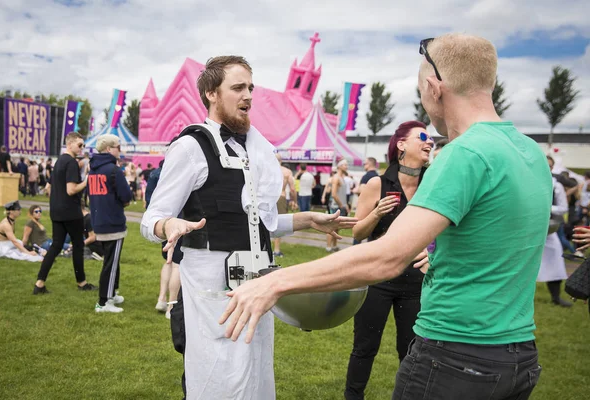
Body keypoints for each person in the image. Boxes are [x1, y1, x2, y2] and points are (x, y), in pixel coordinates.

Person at [220, 34, 551, 400]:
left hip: (456, 354)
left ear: (433, 87)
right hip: (518, 356)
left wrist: (275, 282)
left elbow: (388, 256)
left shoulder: (464, 153)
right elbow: (500, 239)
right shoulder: (530, 152)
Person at [140, 55, 356, 400]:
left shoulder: (255, 149)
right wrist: (169, 224)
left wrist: (308, 220)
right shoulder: (190, 147)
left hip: (255, 281)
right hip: (211, 285)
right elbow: (150, 219)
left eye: (250, 88)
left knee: (253, 372)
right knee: (218, 375)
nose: (248, 96)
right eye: (238, 87)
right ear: (212, 93)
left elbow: (261, 224)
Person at [344, 121, 432, 400]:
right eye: (423, 137)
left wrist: (433, 250)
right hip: (378, 278)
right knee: (365, 346)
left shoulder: (433, 183)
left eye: (431, 139)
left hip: (417, 279)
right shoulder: (377, 184)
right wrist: (377, 213)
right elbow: (358, 232)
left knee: (411, 348)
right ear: (402, 145)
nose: (429, 142)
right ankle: (353, 396)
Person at [34, 132, 95, 295]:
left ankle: (39, 283)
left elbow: (48, 187)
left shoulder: (59, 161)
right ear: (70, 144)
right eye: (79, 145)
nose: (82, 148)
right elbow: (71, 189)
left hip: (56, 210)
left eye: (83, 145)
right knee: (78, 245)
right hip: (71, 211)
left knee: (56, 245)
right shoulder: (71, 162)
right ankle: (82, 283)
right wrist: (86, 181)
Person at [88, 134, 133, 313]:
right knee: (110, 263)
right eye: (118, 147)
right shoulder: (114, 171)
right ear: (108, 149)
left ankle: (111, 293)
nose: (119, 150)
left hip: (99, 221)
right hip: (113, 222)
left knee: (111, 261)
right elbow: (127, 197)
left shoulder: (92, 169)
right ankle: (103, 301)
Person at [145, 159, 182, 319]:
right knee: (177, 265)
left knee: (168, 261)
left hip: (163, 222)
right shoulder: (180, 170)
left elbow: (149, 200)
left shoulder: (156, 173)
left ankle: (161, 299)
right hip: (180, 222)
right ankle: (171, 306)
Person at [537, 156, 572, 307]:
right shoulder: (526, 181)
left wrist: (546, 207)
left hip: (548, 230)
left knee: (555, 259)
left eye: (550, 166)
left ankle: (556, 297)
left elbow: (564, 208)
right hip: (526, 228)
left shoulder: (555, 185)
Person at [272, 154, 297, 258]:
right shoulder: (286, 172)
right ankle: (276, 250)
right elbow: (292, 189)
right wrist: (294, 201)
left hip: (267, 198)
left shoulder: (266, 170)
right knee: (279, 222)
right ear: (281, 161)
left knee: (264, 222)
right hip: (280, 197)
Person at [327, 159, 350, 252]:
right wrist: (341, 205)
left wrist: (346, 205)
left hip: (341, 205)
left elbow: (342, 194)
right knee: (331, 227)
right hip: (335, 205)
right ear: (339, 166)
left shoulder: (342, 178)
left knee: (337, 227)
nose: (346, 166)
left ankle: (334, 246)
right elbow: (333, 194)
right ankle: (328, 247)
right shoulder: (336, 178)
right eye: (345, 165)